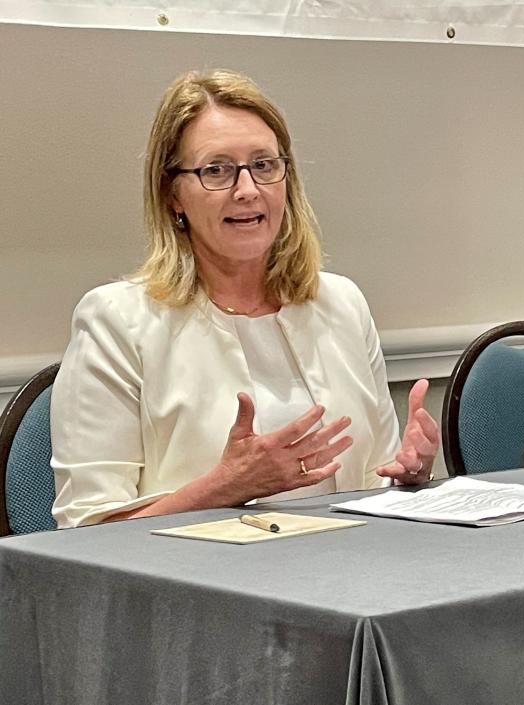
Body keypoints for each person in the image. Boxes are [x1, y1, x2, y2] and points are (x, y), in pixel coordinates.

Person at [50, 69, 438, 527]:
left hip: (345, 576)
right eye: (216, 170)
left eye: (264, 165)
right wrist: (226, 487)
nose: (248, 190)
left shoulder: (341, 304)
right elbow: (85, 532)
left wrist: (408, 476)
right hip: (196, 587)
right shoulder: (116, 321)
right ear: (172, 194)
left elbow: (372, 489)